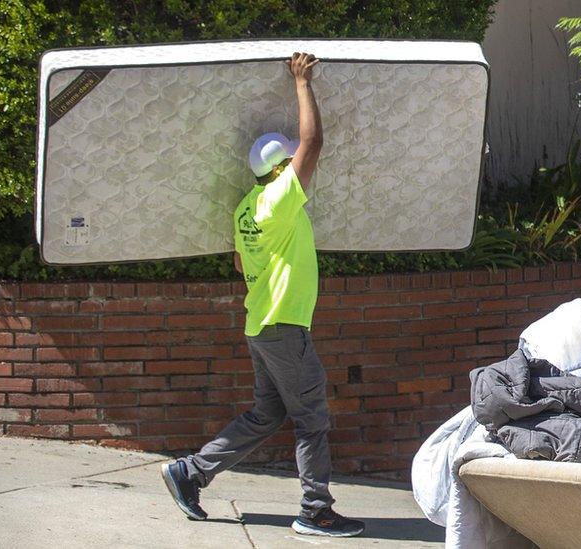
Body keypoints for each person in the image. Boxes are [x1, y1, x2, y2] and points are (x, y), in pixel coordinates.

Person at [160, 52, 365, 538]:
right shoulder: (278, 199)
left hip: (260, 325)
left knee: (267, 413)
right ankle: (315, 510)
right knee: (312, 419)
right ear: (278, 168)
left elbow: (239, 262)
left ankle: (190, 472)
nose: (298, 162)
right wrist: (301, 81)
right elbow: (314, 141)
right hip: (283, 325)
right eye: (289, 159)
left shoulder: (245, 208)